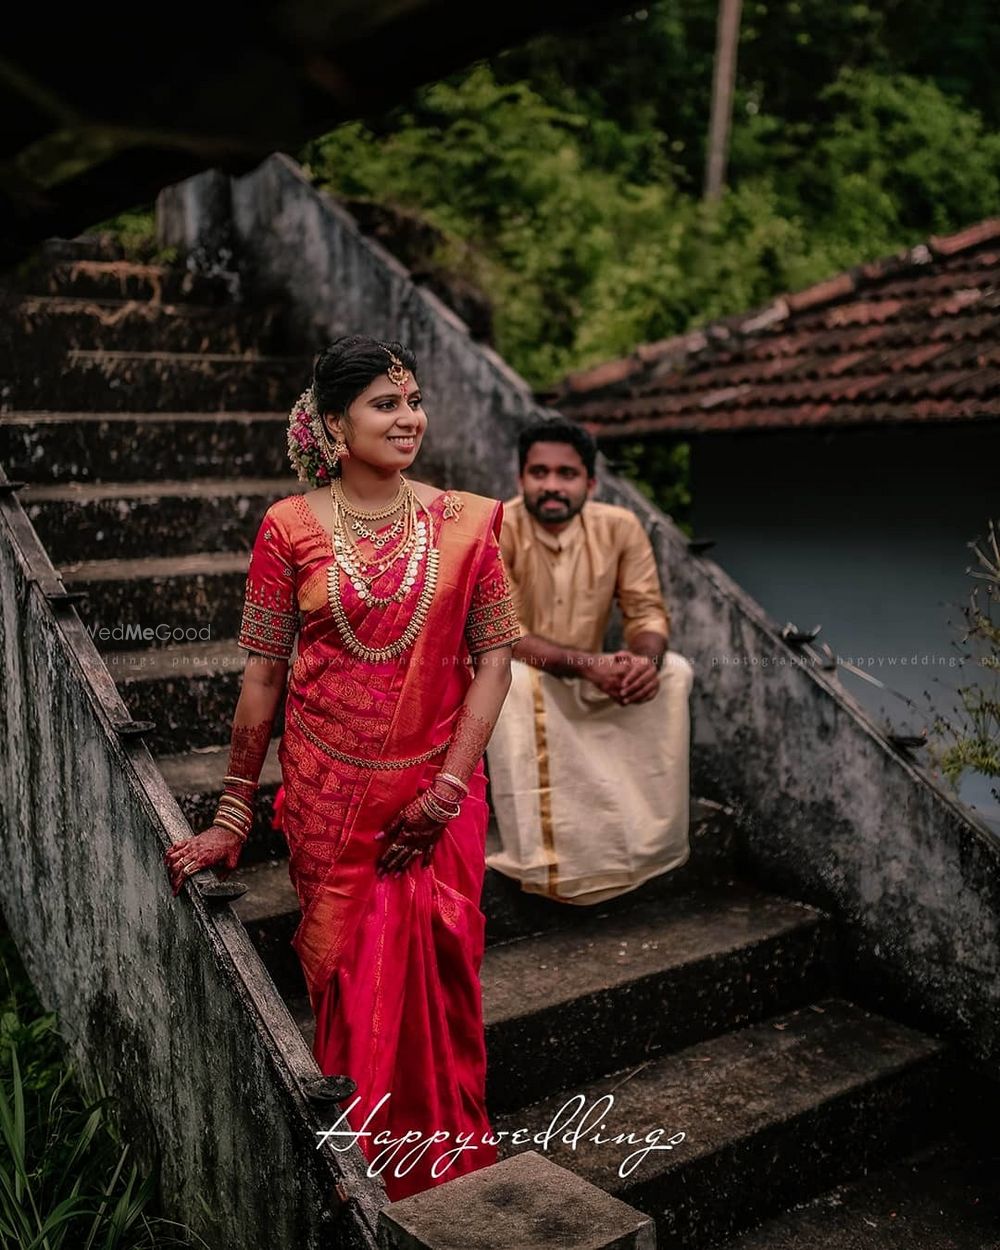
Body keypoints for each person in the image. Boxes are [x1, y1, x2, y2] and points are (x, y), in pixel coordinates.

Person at [163, 336, 522, 1201]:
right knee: (357, 998)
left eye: (414, 401)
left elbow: (496, 662)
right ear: (332, 424)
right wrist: (231, 816)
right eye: (385, 405)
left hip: (437, 801)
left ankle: (443, 1172)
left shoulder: (468, 522)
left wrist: (444, 791)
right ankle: (364, 1187)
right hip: (331, 804)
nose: (409, 419)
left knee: (438, 988)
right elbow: (262, 677)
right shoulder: (288, 527)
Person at [485, 420, 694, 906]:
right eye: (539, 473)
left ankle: (647, 843)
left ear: (591, 483)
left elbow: (647, 613)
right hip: (531, 674)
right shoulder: (497, 529)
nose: (553, 486)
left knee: (676, 672)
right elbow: (503, 631)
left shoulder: (619, 527)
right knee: (511, 680)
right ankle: (544, 856)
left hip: (590, 673)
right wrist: (586, 666)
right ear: (521, 480)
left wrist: (642, 662)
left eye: (567, 474)